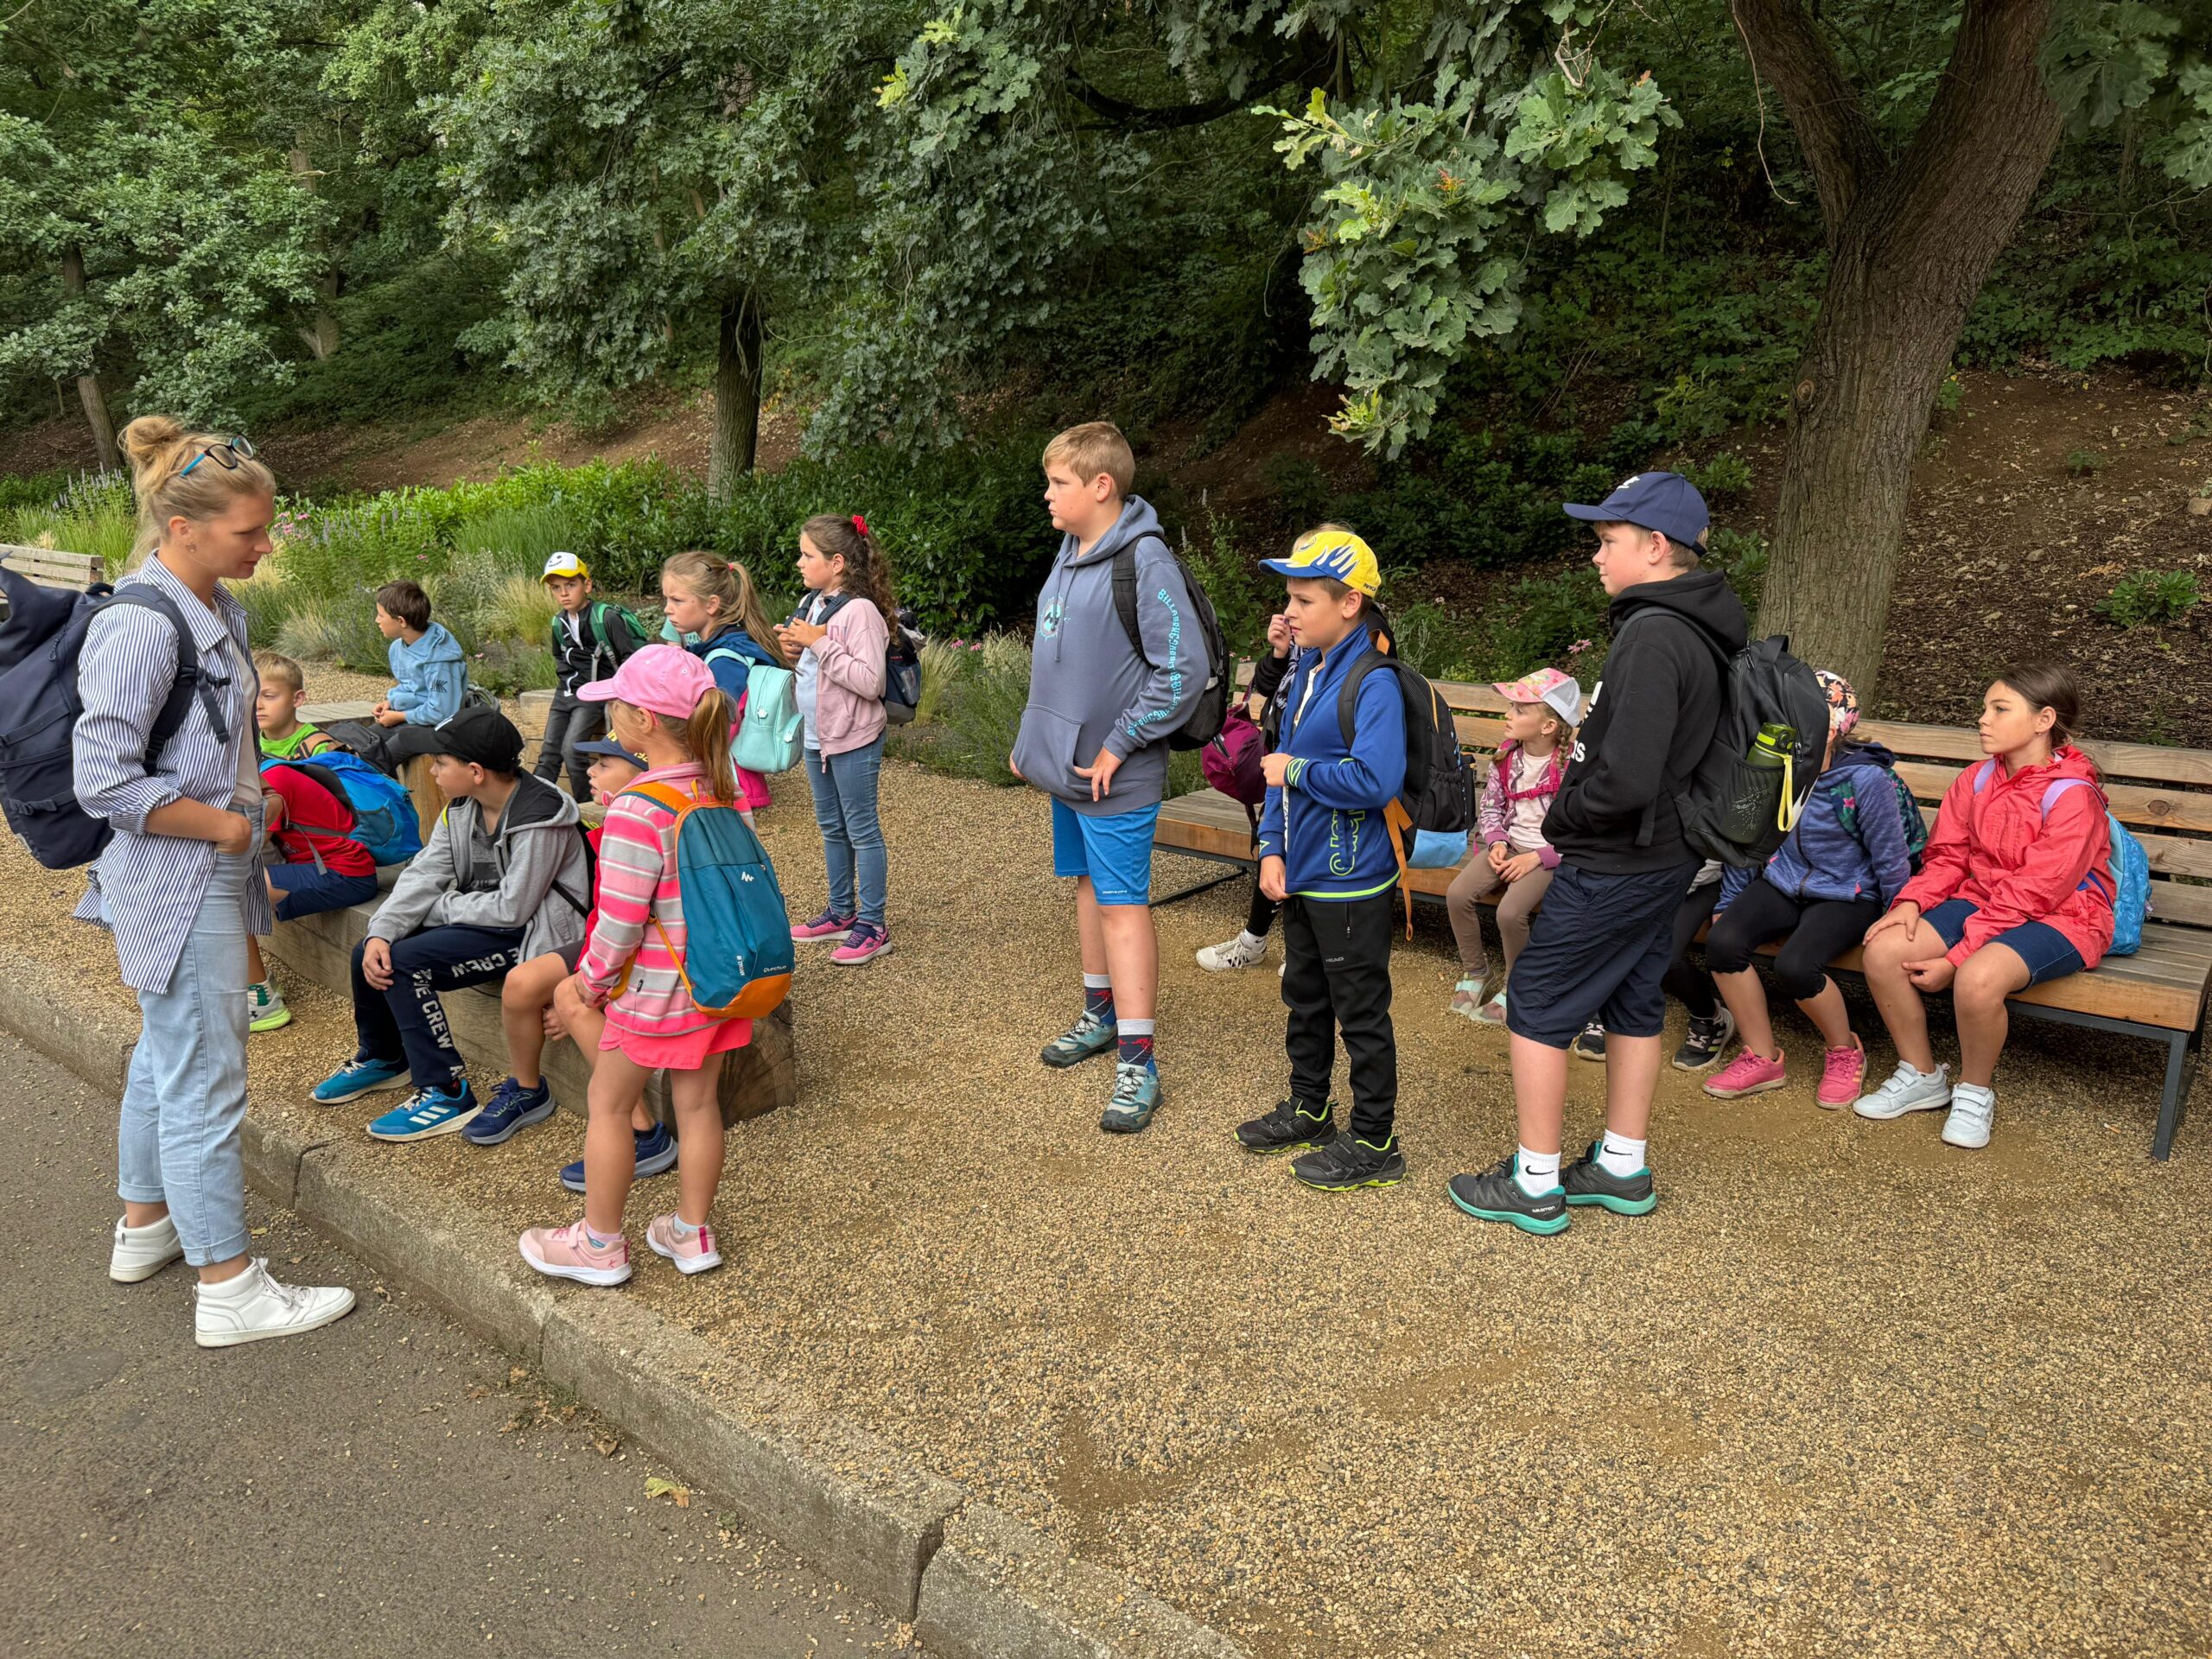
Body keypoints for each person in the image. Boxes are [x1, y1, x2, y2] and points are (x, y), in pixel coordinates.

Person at [80, 415, 354, 1346]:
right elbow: (103, 780)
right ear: (182, 528)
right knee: (205, 1079)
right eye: (250, 530)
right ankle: (229, 1288)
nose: (266, 544)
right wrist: (230, 824)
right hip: (181, 872)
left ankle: (145, 1225)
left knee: (167, 1056)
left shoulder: (209, 606)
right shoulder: (140, 623)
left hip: (193, 866)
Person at [1446, 471, 1746, 1235]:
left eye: (1609, 540)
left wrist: (1566, 817)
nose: (1597, 555)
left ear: (1655, 546)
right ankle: (1620, 1166)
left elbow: (1627, 777)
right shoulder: (1700, 627)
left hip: (1618, 860)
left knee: (1537, 1001)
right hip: (1666, 858)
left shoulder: (1655, 633)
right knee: (1634, 1000)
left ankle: (1534, 1183)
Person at [518, 647, 748, 1286]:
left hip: (652, 993)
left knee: (610, 1105)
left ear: (643, 721)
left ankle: (599, 1245)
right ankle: (691, 1232)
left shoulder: (636, 808)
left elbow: (619, 923)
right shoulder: (722, 791)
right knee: (698, 1107)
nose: (610, 719)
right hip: (715, 982)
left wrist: (587, 986)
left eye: (616, 708)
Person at [1009, 421, 1201, 1134]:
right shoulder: (1070, 549)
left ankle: (1139, 1063)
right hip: (1068, 770)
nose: (1047, 494)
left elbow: (1182, 671)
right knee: (1089, 889)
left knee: (1124, 906)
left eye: (1058, 482)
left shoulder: (1145, 560)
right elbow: (1057, 661)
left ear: (1100, 486)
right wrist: (1031, 740)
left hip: (1113, 775)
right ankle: (1101, 1015)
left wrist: (1120, 745)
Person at [1853, 665, 2114, 1148]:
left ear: (2044, 720)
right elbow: (1948, 856)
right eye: (1985, 708)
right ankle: (1922, 1075)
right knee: (1885, 951)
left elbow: (2036, 892)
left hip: (2066, 916)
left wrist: (1957, 957)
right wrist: (1912, 900)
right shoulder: (1977, 779)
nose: (1983, 719)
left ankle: (1974, 1091)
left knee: (1977, 979)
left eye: (2000, 709)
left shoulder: (2073, 795)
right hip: (1987, 899)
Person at [308, 702, 591, 1142]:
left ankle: (446, 1091)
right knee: (372, 948)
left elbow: (513, 909)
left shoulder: (539, 816)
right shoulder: (461, 808)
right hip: (484, 920)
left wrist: (440, 908)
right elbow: (425, 873)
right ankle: (384, 1058)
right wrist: (383, 928)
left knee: (405, 964)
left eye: (441, 763)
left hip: (535, 933)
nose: (433, 771)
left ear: (475, 771)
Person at [1235, 529, 1408, 1189]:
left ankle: (1376, 1142)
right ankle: (1310, 1108)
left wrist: (1297, 770)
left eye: (1304, 600)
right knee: (1305, 998)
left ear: (1350, 604)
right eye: (1289, 597)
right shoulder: (1310, 666)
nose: (1290, 612)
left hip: (1351, 879)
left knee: (1360, 1013)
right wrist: (1272, 851)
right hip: (1302, 872)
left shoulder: (1374, 680)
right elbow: (1280, 769)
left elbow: (1376, 779)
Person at [1701, 671, 1917, 1107]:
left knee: (1796, 966)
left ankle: (1844, 1050)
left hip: (1849, 893)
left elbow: (1891, 858)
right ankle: (1762, 1056)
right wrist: (1729, 901)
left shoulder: (1865, 780)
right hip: (1784, 880)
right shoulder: (1774, 765)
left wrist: (1898, 913)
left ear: (1832, 729)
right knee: (1722, 943)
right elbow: (1750, 840)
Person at [464, 736, 648, 1149]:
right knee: (521, 984)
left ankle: (641, 1129)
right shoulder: (614, 821)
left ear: (643, 773)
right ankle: (527, 1088)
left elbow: (638, 929)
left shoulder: (641, 827)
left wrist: (591, 992)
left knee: (571, 1000)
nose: (589, 771)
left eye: (604, 764)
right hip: (608, 940)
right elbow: (607, 919)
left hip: (647, 951)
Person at [777, 513, 894, 965]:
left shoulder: (860, 611)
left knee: (861, 829)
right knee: (831, 827)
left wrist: (820, 644)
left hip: (854, 736)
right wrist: (793, 647)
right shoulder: (811, 602)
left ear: (838, 562)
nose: (800, 563)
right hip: (817, 735)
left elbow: (870, 682)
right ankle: (842, 912)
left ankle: (874, 925)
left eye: (808, 555)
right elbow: (811, 668)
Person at [1446, 668, 1580, 1026]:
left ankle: (1516, 986)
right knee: (1458, 894)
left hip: (1550, 857)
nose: (1508, 714)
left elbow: (1581, 831)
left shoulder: (1571, 768)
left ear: (1548, 725)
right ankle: (1476, 971)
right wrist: (1496, 842)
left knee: (1510, 912)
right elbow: (1491, 807)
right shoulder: (1507, 756)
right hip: (1511, 846)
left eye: (1519, 709)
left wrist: (1538, 857)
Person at [242, 751, 383, 1034]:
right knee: (229, 885)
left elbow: (247, 849)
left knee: (231, 891)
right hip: (324, 868)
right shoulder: (261, 776)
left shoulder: (273, 783)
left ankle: (262, 998)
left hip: (346, 873)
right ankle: (258, 982)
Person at [1195, 610, 1295, 972]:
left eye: (1303, 598)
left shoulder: (1360, 635)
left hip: (1308, 765)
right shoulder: (1307, 636)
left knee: (1301, 846)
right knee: (1274, 841)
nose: (1291, 610)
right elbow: (1268, 686)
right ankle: (1254, 944)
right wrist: (1280, 652)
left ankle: (1302, 955)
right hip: (1280, 754)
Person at [660, 549, 787, 823]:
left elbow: (721, 726)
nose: (667, 609)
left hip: (729, 785)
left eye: (677, 600)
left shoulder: (724, 660)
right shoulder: (723, 647)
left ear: (711, 605)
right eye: (667, 599)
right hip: (731, 780)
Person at [537, 551, 646, 801]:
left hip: (594, 693)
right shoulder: (558, 622)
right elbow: (559, 657)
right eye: (556, 588)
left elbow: (630, 658)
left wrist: (619, 694)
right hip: (565, 692)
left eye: (570, 585)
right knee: (548, 754)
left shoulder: (606, 617)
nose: (564, 593)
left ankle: (585, 807)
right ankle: (536, 806)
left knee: (572, 751)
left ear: (587, 585)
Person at [370, 579, 469, 771]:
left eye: (381, 615)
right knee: (368, 741)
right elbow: (412, 687)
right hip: (414, 719)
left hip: (441, 728)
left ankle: (382, 787)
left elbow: (441, 711)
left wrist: (399, 716)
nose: (377, 620)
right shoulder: (398, 648)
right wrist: (391, 703)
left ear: (401, 621)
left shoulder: (439, 661)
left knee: (386, 755)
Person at [254, 651, 340, 760]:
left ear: (297, 699)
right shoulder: (246, 742)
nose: (257, 705)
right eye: (251, 696)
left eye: (268, 696)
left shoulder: (319, 749)